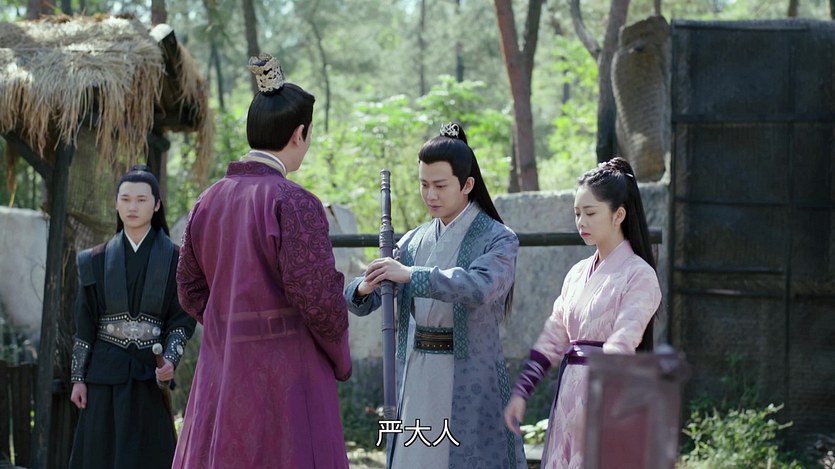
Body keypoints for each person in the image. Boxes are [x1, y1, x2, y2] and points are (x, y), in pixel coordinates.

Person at [172, 53, 352, 469]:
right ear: (299, 134)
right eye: (309, 134)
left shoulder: (207, 201)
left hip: (223, 367)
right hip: (285, 373)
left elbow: (189, 288)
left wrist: (230, 321)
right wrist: (340, 357)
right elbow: (318, 298)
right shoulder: (294, 201)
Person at [345, 122, 527, 469]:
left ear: (467, 185)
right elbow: (365, 295)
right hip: (417, 372)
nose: (431, 195)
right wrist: (365, 286)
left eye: (440, 186)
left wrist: (412, 275)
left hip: (470, 375)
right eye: (424, 185)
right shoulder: (413, 240)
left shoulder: (499, 238)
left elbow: (481, 287)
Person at [503, 157, 662, 469]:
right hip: (569, 397)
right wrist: (522, 391)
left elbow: (624, 339)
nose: (581, 222)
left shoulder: (639, 275)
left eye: (590, 213)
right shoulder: (576, 274)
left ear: (618, 215)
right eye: (577, 213)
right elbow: (553, 337)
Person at [69, 165, 196, 469]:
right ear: (116, 204)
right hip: (103, 377)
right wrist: (78, 379)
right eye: (125, 199)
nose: (133, 207)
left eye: (141, 199)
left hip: (148, 375)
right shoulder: (94, 260)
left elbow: (181, 320)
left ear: (157, 204)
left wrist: (169, 360)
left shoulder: (178, 260)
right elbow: (84, 324)